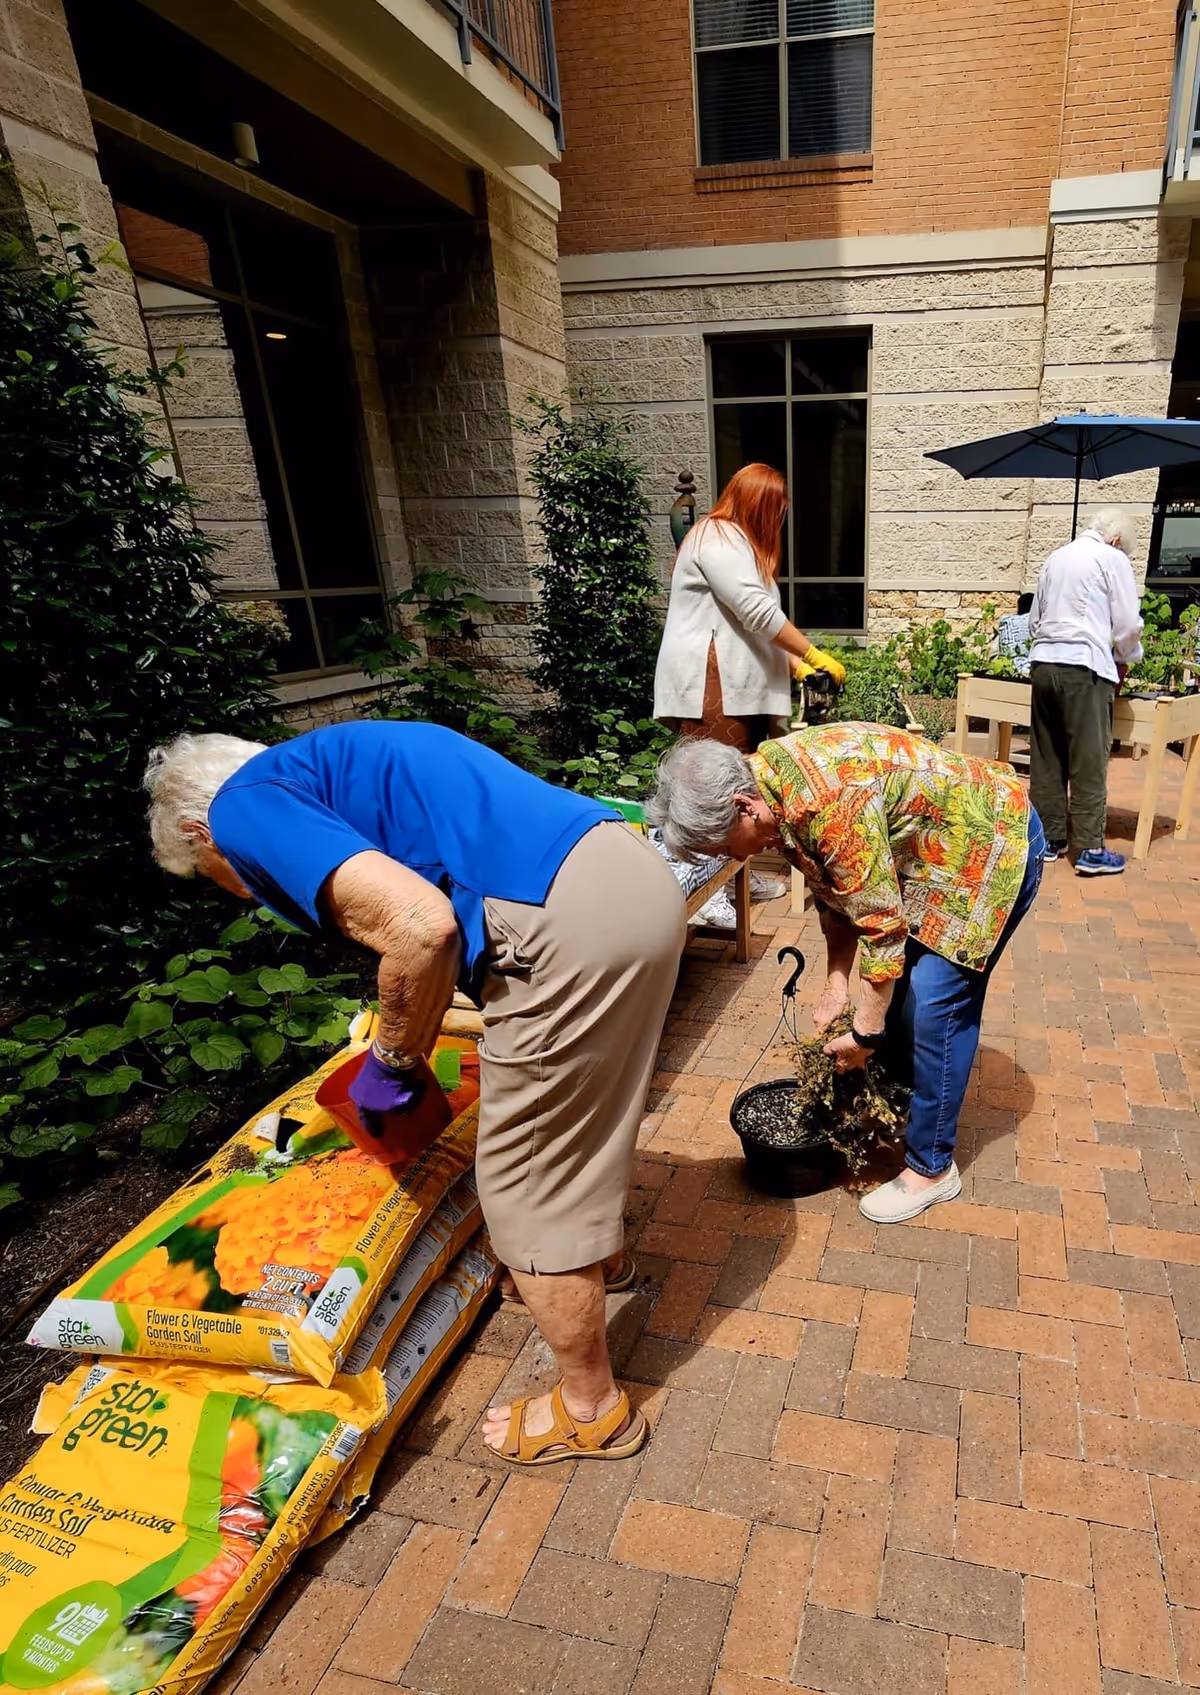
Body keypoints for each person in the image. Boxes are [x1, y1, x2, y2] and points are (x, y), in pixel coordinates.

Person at [144, 721, 685, 1464]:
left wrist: (394, 1060)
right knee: (580, 1117)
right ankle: (604, 1264)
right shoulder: (332, 761)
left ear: (197, 830)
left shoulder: (243, 806)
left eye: (213, 874)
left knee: (523, 1185)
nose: (235, 889)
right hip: (629, 881)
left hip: (565, 926)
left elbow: (422, 927)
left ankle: (592, 1410)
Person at [647, 725, 1043, 1223]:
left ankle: (932, 1169)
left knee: (935, 1005)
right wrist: (838, 984)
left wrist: (864, 1032)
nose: (734, 857)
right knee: (899, 993)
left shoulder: (830, 803)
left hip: (988, 845)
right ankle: (903, 1102)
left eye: (726, 845)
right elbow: (838, 898)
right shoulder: (770, 788)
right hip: (929, 854)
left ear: (743, 806)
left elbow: (880, 928)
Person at [653, 462, 845, 924]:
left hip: (740, 684)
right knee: (711, 794)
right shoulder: (716, 535)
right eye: (775, 509)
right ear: (757, 503)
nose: (777, 520)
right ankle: (704, 893)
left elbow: (751, 626)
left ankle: (735, 877)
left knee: (741, 791)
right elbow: (755, 612)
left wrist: (797, 665)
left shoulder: (739, 547)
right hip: (713, 683)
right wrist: (813, 652)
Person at [1027, 507, 1143, 876]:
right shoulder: (1112, 558)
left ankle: (1048, 840)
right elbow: (1126, 624)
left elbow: (1033, 621)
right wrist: (1127, 656)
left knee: (1047, 756)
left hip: (1044, 663)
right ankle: (1090, 849)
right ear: (1116, 539)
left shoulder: (1055, 558)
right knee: (1088, 759)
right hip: (1084, 664)